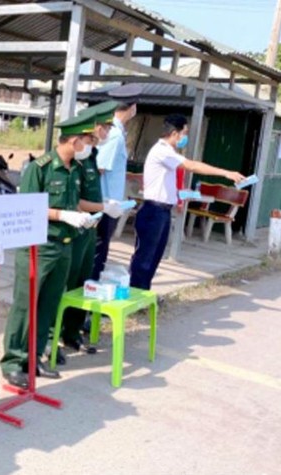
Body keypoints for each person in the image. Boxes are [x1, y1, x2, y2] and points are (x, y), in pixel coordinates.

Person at [0, 112, 105, 389]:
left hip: (65, 246)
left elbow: (78, 203)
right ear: (73, 140)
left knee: (48, 306)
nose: (91, 146)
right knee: (25, 306)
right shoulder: (41, 168)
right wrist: (63, 215)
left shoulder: (76, 169)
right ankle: (13, 361)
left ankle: (34, 357)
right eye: (88, 141)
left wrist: (85, 216)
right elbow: (28, 207)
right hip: (39, 246)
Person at [129, 114, 245, 290]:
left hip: (162, 211)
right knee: (145, 257)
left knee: (154, 256)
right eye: (185, 132)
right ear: (175, 133)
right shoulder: (162, 151)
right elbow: (192, 166)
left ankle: (143, 294)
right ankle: (136, 293)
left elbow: (167, 183)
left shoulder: (169, 153)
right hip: (153, 210)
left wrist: (181, 195)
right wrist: (226, 173)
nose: (185, 137)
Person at [60, 102, 118, 352]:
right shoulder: (78, 159)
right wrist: (101, 208)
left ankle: (72, 332)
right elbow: (73, 199)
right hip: (75, 227)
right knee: (65, 284)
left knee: (81, 283)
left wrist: (102, 206)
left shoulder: (92, 156)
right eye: (104, 127)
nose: (106, 133)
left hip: (89, 227)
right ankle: (56, 333)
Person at [93, 99, 137, 280]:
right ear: (133, 108)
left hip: (106, 202)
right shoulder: (115, 134)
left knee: (99, 249)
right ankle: (88, 289)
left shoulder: (117, 132)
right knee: (97, 251)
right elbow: (99, 167)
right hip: (104, 202)